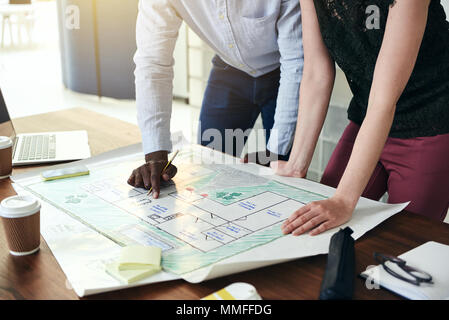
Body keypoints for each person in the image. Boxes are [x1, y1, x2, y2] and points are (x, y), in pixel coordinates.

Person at [274, 0, 449, 237]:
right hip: (366, 116)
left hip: (431, 120)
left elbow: (384, 100)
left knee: (402, 243)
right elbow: (316, 72)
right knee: (319, 226)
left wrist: (345, 201)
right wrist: (296, 165)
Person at [127, 1, 304, 198]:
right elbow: (153, 63)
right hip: (230, 69)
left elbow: (297, 61)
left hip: (286, 71)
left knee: (283, 174)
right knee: (210, 173)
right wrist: (156, 155)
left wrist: (277, 152)